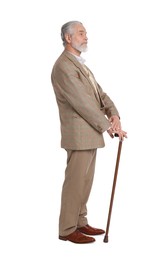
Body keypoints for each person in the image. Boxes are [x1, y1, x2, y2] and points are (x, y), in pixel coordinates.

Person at [51, 21, 127, 244]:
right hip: (78, 133)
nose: (86, 37)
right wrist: (109, 127)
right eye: (81, 33)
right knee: (75, 182)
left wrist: (114, 114)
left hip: (90, 132)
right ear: (68, 38)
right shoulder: (63, 66)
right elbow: (82, 103)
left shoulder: (80, 65)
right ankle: (67, 229)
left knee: (85, 182)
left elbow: (99, 94)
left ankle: (80, 222)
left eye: (85, 33)